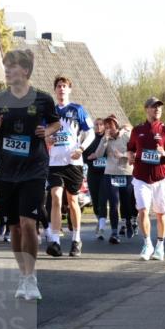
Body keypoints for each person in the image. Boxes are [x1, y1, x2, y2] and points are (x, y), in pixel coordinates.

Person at [0, 49, 61, 300]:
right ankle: (22, 274)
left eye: (12, 67)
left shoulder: (43, 99)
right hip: (6, 170)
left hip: (34, 168)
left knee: (29, 223)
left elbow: (56, 123)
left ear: (25, 71)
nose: (7, 71)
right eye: (5, 67)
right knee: (14, 228)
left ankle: (32, 276)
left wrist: (47, 131)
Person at [127, 97, 165, 261]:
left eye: (159, 107)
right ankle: (147, 243)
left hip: (161, 178)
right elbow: (130, 148)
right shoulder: (137, 130)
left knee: (160, 213)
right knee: (143, 210)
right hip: (141, 177)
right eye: (153, 106)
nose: (157, 109)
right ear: (146, 109)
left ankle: (160, 245)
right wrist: (130, 156)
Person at [45, 76, 94, 257]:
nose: (61, 89)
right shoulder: (49, 111)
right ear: (55, 90)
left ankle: (76, 238)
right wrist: (46, 138)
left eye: (64, 86)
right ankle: (56, 241)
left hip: (73, 162)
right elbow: (43, 133)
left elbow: (90, 133)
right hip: (55, 162)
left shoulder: (77, 109)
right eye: (58, 86)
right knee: (56, 197)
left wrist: (81, 148)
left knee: (73, 201)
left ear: (69, 89)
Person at [91, 114, 134, 244]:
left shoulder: (126, 136)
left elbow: (136, 153)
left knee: (126, 202)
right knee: (114, 203)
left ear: (116, 125)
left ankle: (128, 222)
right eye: (107, 125)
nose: (109, 127)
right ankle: (114, 232)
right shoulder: (106, 138)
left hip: (126, 173)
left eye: (111, 124)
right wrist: (104, 139)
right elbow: (98, 154)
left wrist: (122, 155)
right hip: (110, 173)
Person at [82, 117, 107, 239]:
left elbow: (112, 154)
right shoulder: (90, 139)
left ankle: (102, 226)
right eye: (96, 124)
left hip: (105, 173)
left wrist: (98, 156)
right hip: (92, 173)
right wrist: (90, 158)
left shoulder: (107, 139)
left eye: (101, 124)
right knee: (95, 201)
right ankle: (99, 221)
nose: (98, 126)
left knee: (102, 199)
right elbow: (83, 156)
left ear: (104, 126)